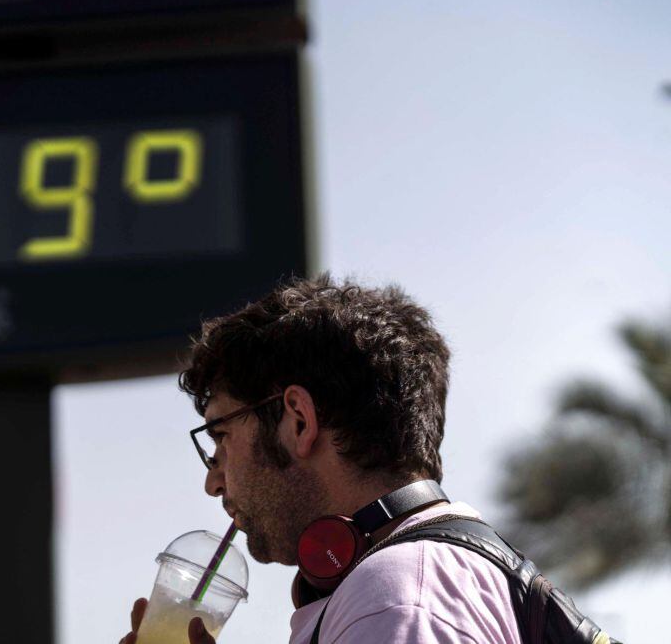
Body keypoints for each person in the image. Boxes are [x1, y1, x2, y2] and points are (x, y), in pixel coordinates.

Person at [119, 273, 522, 644]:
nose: (213, 483)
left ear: (298, 421)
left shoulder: (394, 599)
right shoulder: (434, 578)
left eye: (221, 435)